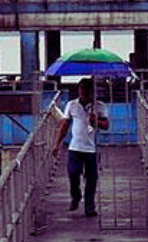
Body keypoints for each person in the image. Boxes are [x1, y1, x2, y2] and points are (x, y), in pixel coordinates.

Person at [52, 77, 109, 216]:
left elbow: (106, 126)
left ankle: (89, 207)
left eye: (87, 89)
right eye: (81, 89)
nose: (83, 92)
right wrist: (56, 144)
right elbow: (64, 125)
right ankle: (76, 196)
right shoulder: (72, 105)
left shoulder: (99, 106)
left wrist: (96, 121)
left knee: (91, 179)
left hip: (91, 149)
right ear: (78, 90)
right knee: (73, 174)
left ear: (91, 91)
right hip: (75, 147)